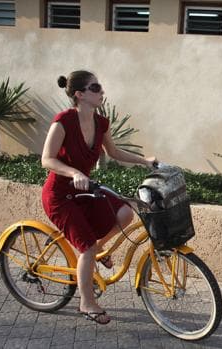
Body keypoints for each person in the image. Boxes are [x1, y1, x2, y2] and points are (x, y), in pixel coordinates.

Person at [41, 71, 156, 324]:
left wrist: (143, 161)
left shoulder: (101, 123)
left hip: (85, 190)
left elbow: (113, 152)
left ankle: (99, 249)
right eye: (96, 87)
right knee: (87, 248)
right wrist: (73, 172)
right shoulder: (63, 121)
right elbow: (46, 159)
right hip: (60, 196)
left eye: (101, 87)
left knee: (125, 212)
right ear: (80, 95)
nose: (102, 91)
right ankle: (86, 303)